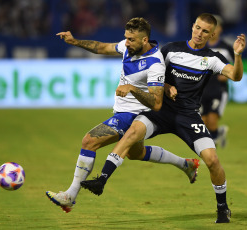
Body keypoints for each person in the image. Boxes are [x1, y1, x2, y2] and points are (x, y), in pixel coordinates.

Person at [81, 13, 246, 224]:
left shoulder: (212, 58)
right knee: (132, 132)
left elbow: (236, 76)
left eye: (205, 31)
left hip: (188, 116)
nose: (199, 33)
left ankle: (222, 208)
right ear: (192, 26)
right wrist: (166, 87)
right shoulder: (170, 50)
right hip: (161, 112)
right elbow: (155, 71)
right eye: (197, 27)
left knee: (212, 160)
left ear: (212, 34)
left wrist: (238, 55)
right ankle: (102, 180)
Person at [46, 17, 200, 213]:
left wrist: (132, 89)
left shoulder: (154, 64)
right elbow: (102, 48)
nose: (126, 43)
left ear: (144, 40)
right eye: (125, 38)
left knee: (89, 141)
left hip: (134, 115)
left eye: (131, 39)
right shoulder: (129, 47)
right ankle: (186, 164)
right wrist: (75, 41)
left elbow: (157, 103)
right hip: (123, 111)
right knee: (137, 153)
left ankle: (70, 195)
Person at [200, 15, 234, 148]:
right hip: (202, 89)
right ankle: (218, 133)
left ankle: (210, 151)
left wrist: (228, 74)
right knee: (204, 122)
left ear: (220, 29)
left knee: (212, 120)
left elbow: (235, 65)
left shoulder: (226, 47)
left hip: (219, 89)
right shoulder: (200, 46)